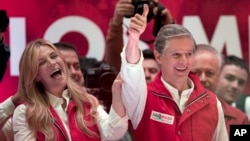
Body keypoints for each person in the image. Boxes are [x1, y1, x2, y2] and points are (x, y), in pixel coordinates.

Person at [120, 4, 228, 141]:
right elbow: (131, 70)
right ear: (158, 56)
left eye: (188, 54)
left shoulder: (211, 102)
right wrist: (133, 38)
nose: (184, 61)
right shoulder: (142, 97)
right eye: (176, 55)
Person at [12, 39, 128, 140]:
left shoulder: (87, 101)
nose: (52, 62)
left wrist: (117, 93)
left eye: (54, 56)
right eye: (42, 62)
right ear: (35, 76)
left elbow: (113, 132)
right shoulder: (25, 112)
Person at [191, 44, 250, 135]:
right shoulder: (171, 109)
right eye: (196, 72)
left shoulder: (240, 120)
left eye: (210, 73)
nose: (203, 78)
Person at [104, 0, 174, 71]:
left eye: (153, 71)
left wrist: (170, 27)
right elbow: (114, 68)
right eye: (142, 71)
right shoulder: (125, 77)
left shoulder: (167, 77)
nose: (147, 75)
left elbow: (175, 64)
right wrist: (116, 23)